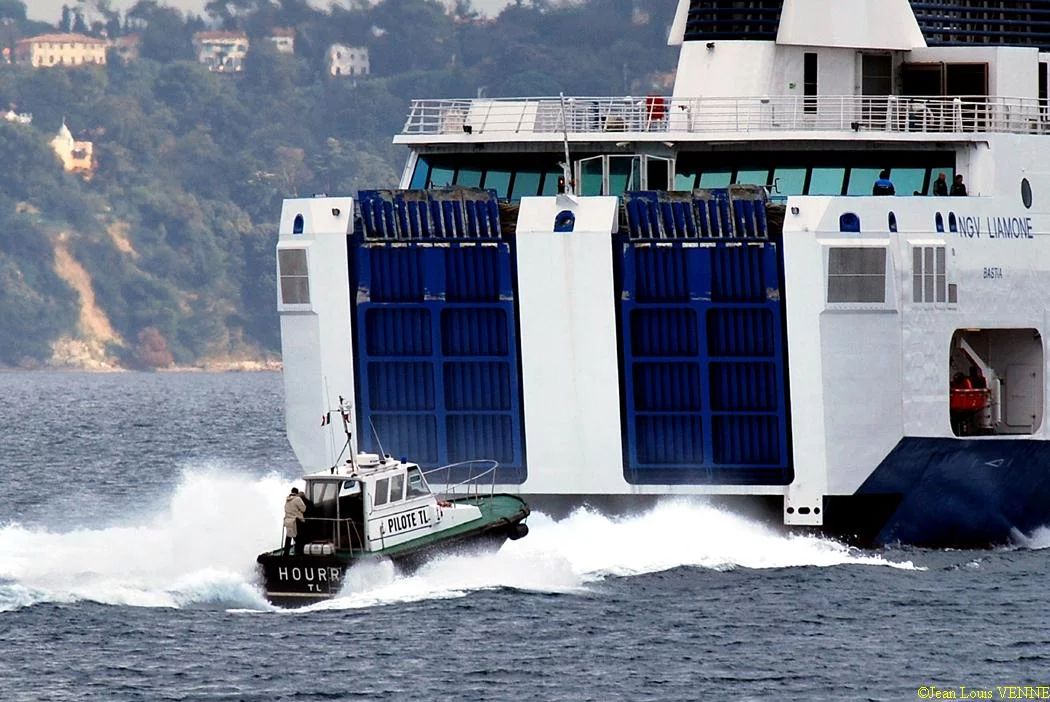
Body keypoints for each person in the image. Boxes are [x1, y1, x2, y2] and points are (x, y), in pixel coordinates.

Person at [283, 486, 307, 556]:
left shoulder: (287, 499)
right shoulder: (297, 499)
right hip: (296, 521)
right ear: (297, 493)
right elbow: (304, 509)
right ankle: (299, 553)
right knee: (298, 538)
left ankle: (286, 553)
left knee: (289, 537)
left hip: (288, 521)